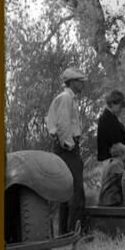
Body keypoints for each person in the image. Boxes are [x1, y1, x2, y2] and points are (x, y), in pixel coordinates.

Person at [45, 67, 86, 233]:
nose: (82, 84)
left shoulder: (67, 98)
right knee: (76, 191)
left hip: (66, 147)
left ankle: (64, 231)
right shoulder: (66, 98)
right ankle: (74, 232)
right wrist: (69, 144)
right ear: (72, 82)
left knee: (66, 190)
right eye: (80, 81)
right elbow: (62, 123)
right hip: (68, 148)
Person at [97, 90, 125, 161]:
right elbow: (116, 145)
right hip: (113, 161)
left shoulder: (110, 117)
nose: (121, 109)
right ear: (113, 103)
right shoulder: (108, 119)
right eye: (120, 106)